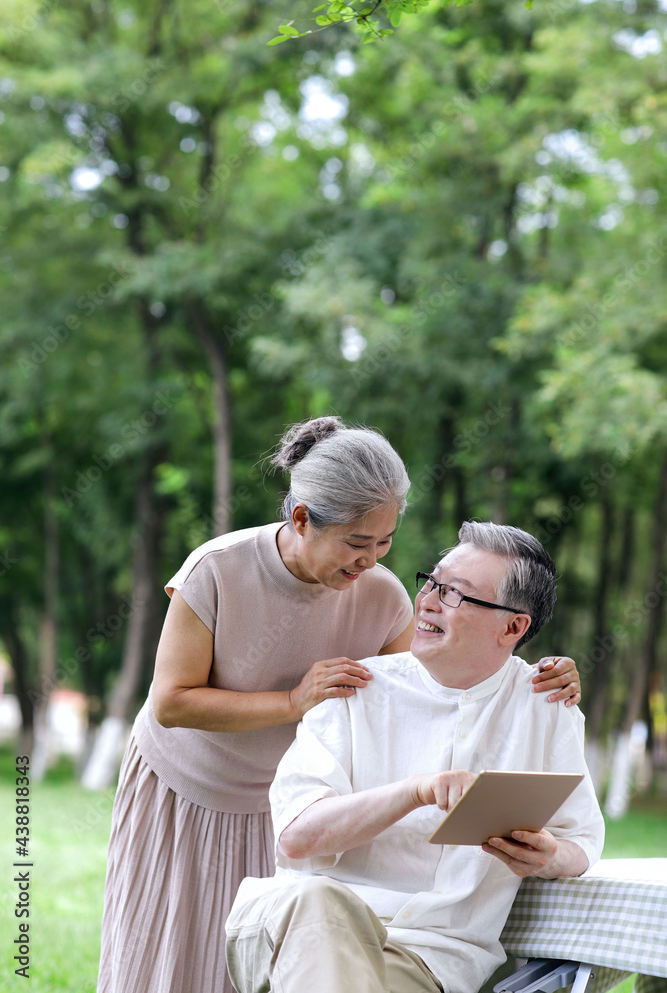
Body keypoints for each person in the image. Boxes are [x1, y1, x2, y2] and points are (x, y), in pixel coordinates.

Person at [97, 419, 581, 993]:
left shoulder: (379, 591)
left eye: (386, 542)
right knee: (166, 953)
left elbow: (434, 682)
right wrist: (295, 700)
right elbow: (171, 702)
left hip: (287, 800)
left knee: (258, 961)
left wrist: (541, 672)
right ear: (301, 518)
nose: (371, 560)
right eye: (357, 542)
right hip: (189, 784)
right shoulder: (219, 568)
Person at [225, 521, 605, 993]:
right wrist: (415, 792)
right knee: (320, 900)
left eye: (454, 594)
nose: (426, 600)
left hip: (426, 959)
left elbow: (582, 842)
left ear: (512, 626)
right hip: (295, 926)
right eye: (432, 582)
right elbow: (298, 837)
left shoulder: (546, 709)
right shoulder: (354, 689)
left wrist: (547, 856)